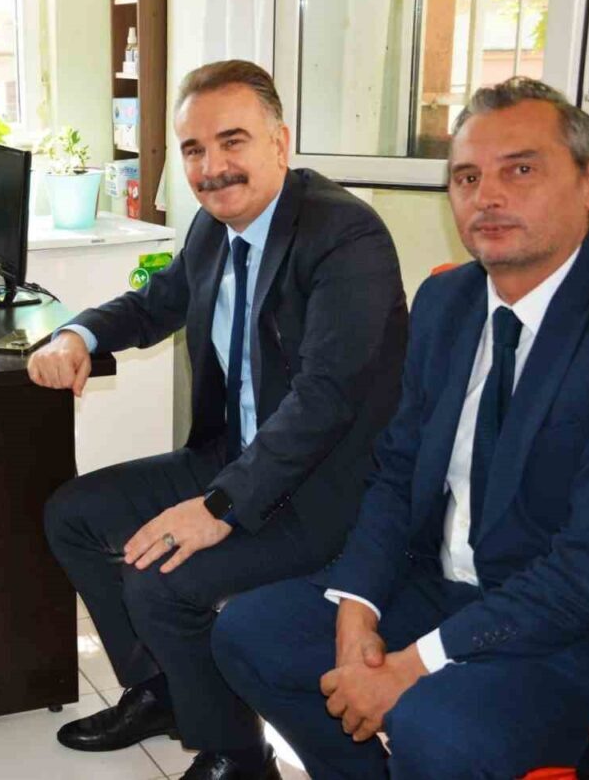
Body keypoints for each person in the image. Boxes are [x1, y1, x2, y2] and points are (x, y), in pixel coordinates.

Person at [211, 77, 589, 779]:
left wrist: (415, 664)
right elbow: (397, 469)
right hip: (434, 581)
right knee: (248, 632)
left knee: (432, 726)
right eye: (467, 177)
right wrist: (357, 607)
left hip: (560, 628)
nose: (488, 196)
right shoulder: (447, 299)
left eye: (521, 169)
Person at [28, 60, 408, 780]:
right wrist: (78, 334)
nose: (212, 168)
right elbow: (154, 304)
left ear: (280, 143)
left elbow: (324, 399)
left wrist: (217, 508)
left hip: (324, 491)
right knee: (74, 515)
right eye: (194, 150)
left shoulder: (344, 236)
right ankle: (165, 690)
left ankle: (239, 755)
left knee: (159, 582)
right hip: (233, 458)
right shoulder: (212, 227)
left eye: (232, 141)